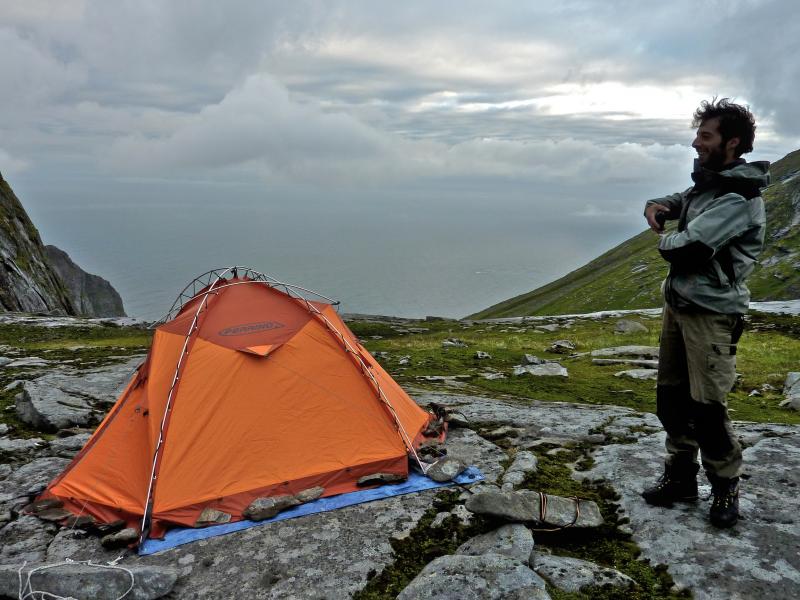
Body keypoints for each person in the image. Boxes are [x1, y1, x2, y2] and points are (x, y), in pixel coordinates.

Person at [641, 98, 769, 528]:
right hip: (680, 306)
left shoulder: (739, 197)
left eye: (706, 136)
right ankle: (680, 477)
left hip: (712, 313)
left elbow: (690, 247)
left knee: (707, 407)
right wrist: (658, 203)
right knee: (671, 398)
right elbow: (683, 199)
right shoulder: (713, 184)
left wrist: (665, 241)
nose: (696, 143)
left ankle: (724, 485)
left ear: (732, 143)